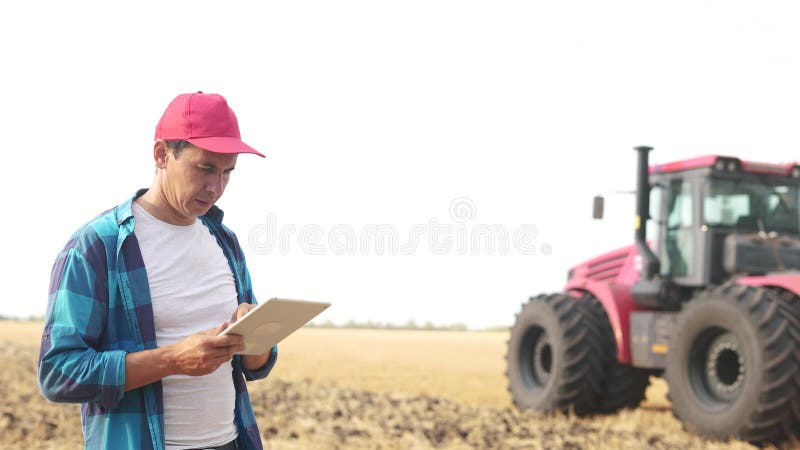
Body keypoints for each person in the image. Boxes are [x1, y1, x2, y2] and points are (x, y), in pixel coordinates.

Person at [38, 92, 278, 450]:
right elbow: (59, 373)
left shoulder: (224, 241)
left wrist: (255, 337)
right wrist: (172, 360)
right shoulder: (97, 246)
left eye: (227, 172)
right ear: (162, 154)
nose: (216, 187)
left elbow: (256, 364)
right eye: (205, 168)